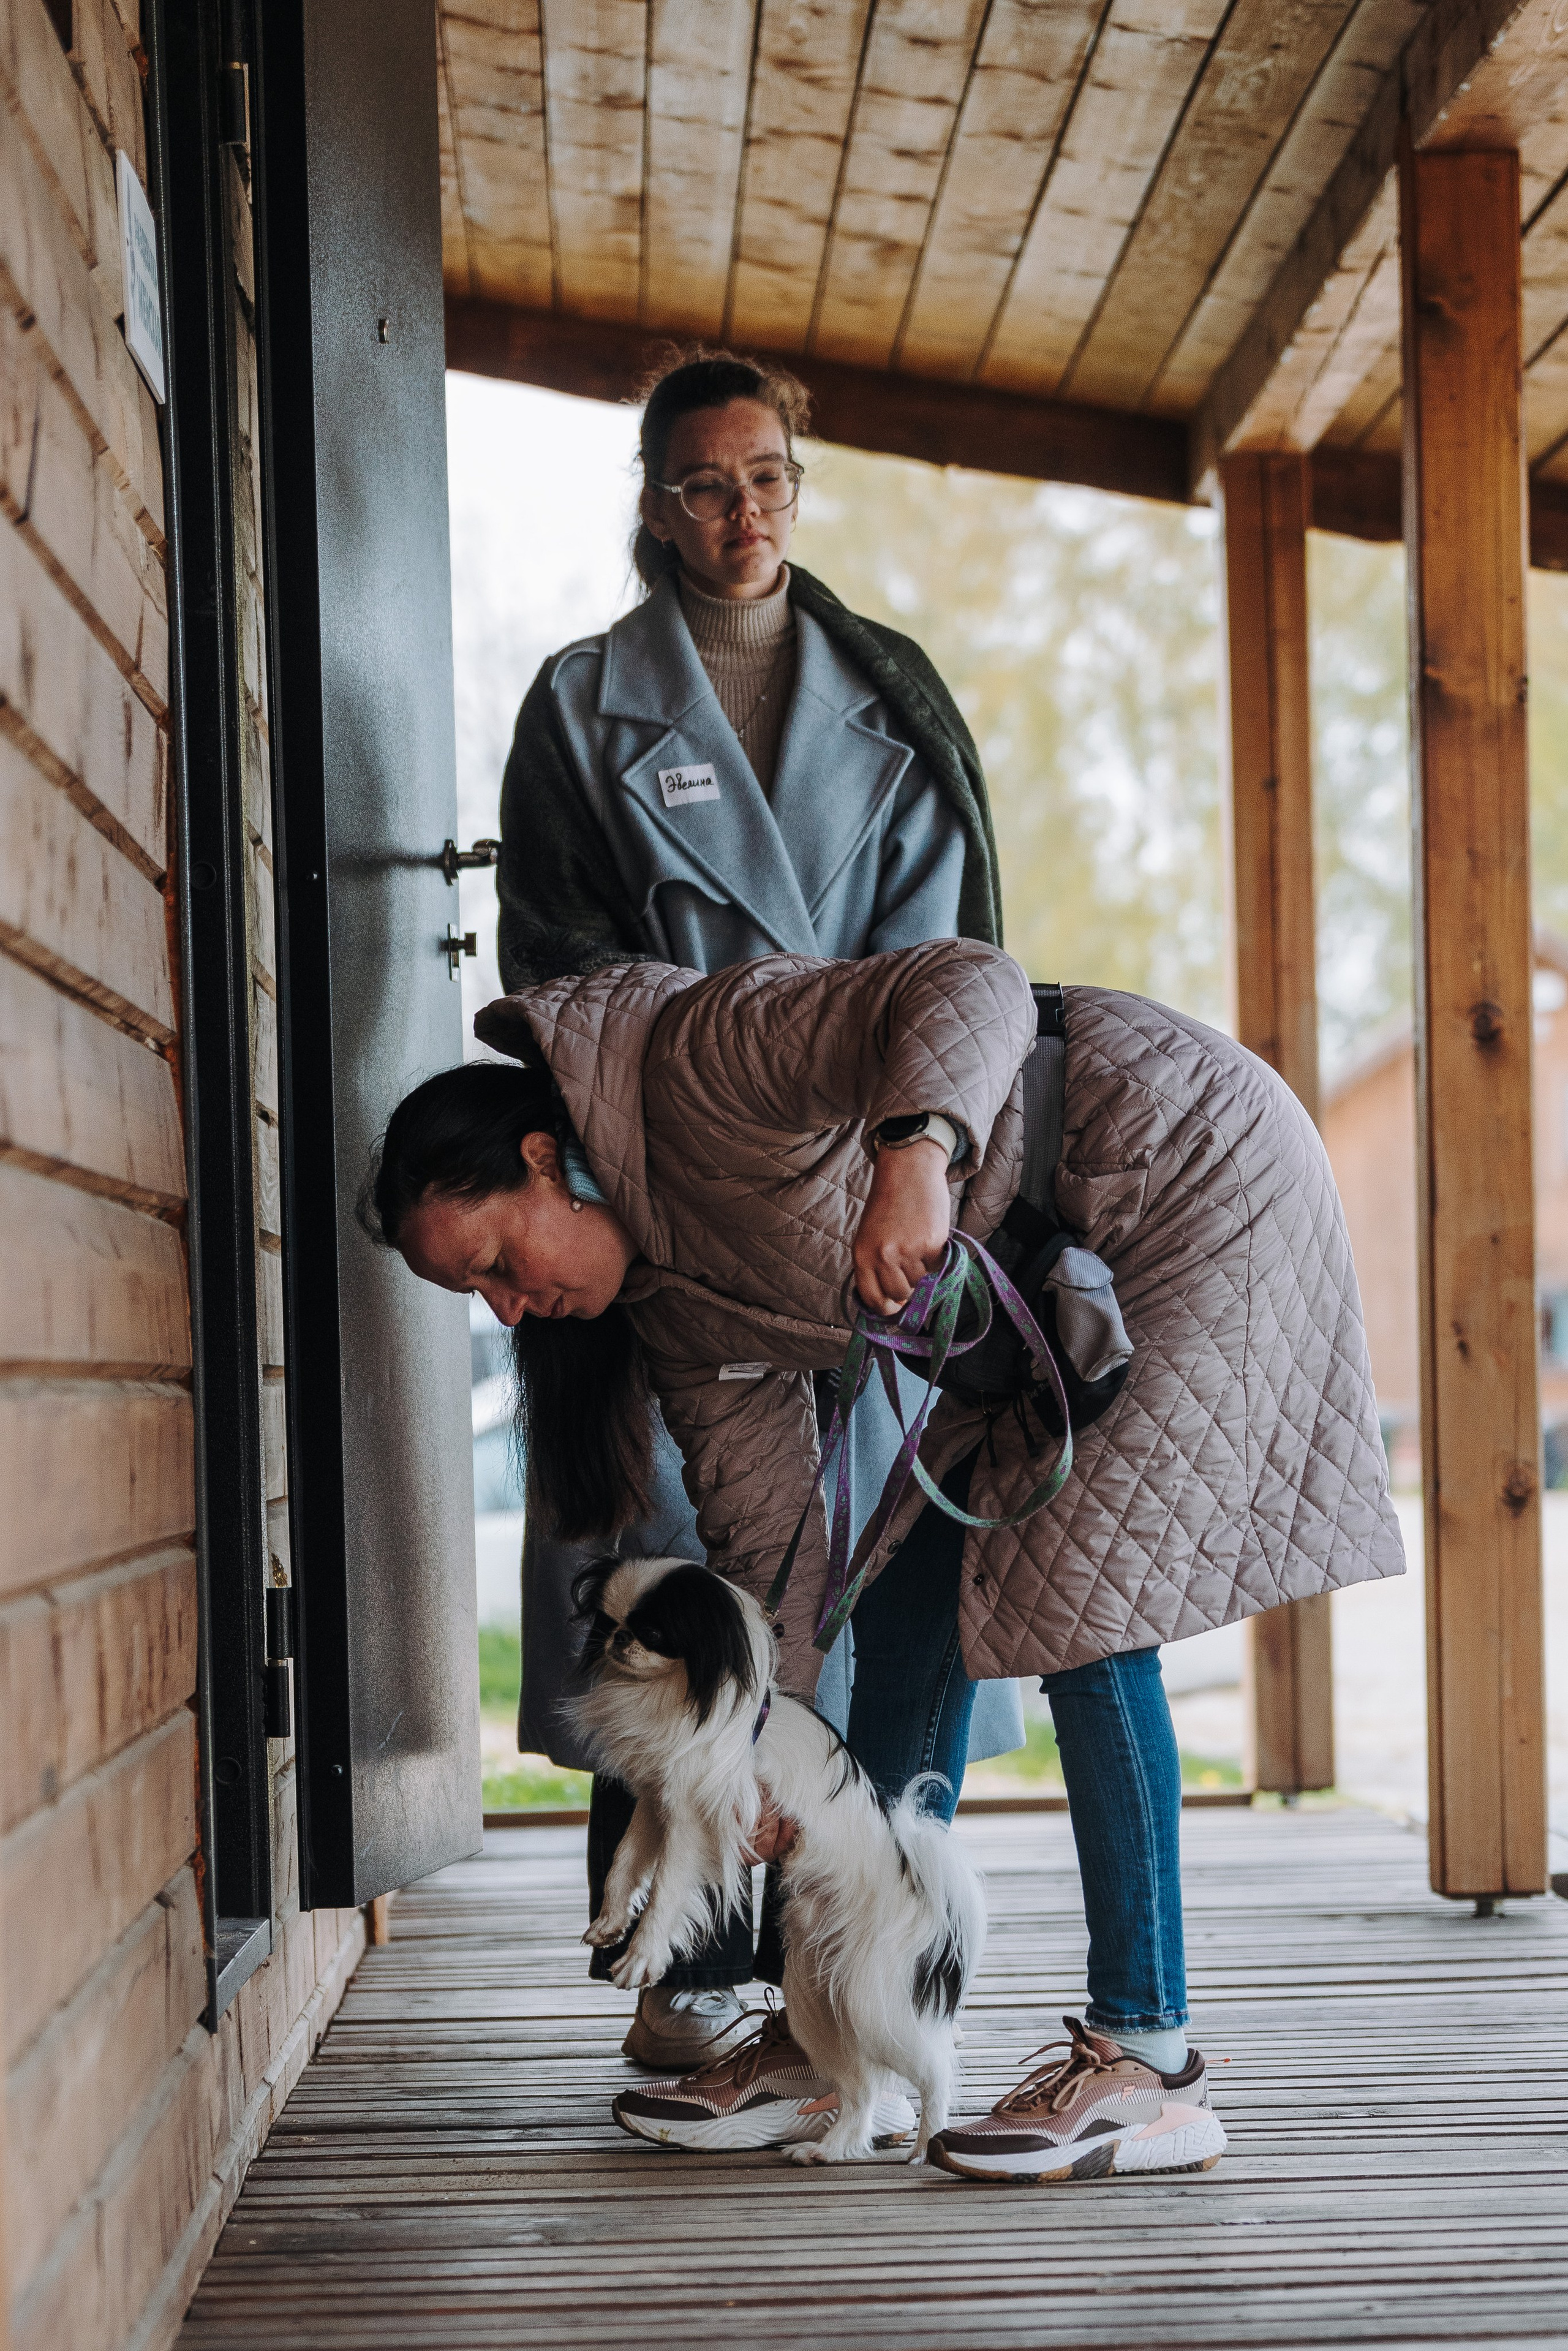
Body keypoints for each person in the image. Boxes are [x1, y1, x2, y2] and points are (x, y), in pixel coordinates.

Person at [364, 940, 1404, 2178]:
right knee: (914, 1590)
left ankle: (1147, 2054)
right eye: (468, 1294)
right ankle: (844, 2035)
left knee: (1078, 1597)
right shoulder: (676, 1313)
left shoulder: (694, 1062)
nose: (500, 1308)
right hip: (1029, 1278)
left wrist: (916, 1153)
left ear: (542, 1160)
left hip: (1179, 1179)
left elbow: (965, 981)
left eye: (489, 1261)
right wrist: (763, 1740)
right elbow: (766, 1546)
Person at [494, 347, 1025, 2067]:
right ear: (654, 501)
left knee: (851, 1554)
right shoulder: (583, 707)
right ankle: (681, 1982)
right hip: (681, 1178)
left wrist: (906, 1140)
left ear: (801, 483)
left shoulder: (897, 696)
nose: (746, 512)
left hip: (866, 1189)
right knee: (679, 1563)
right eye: (710, 482)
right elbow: (560, 969)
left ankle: (851, 1970)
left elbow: (954, 957)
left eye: (773, 476)